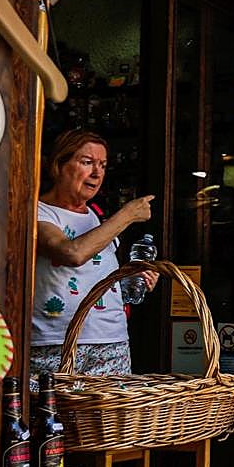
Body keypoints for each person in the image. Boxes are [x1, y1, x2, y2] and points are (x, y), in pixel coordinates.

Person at [31, 130, 156, 379]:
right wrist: (128, 215)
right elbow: (72, 254)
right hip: (55, 343)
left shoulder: (96, 214)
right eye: (87, 162)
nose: (97, 174)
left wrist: (132, 280)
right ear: (58, 166)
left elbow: (93, 273)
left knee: (110, 419)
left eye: (102, 165)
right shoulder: (38, 212)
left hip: (112, 341)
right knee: (52, 416)